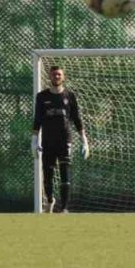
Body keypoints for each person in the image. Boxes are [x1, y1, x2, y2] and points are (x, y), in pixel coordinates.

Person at [32, 66, 89, 214]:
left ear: (63, 77)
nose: (56, 77)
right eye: (53, 75)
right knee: (48, 175)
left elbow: (76, 119)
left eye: (59, 75)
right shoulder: (42, 97)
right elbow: (37, 119)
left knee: (65, 175)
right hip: (48, 141)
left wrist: (84, 140)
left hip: (65, 141)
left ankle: (64, 208)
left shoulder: (70, 96)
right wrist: (34, 140)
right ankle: (50, 200)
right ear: (50, 77)